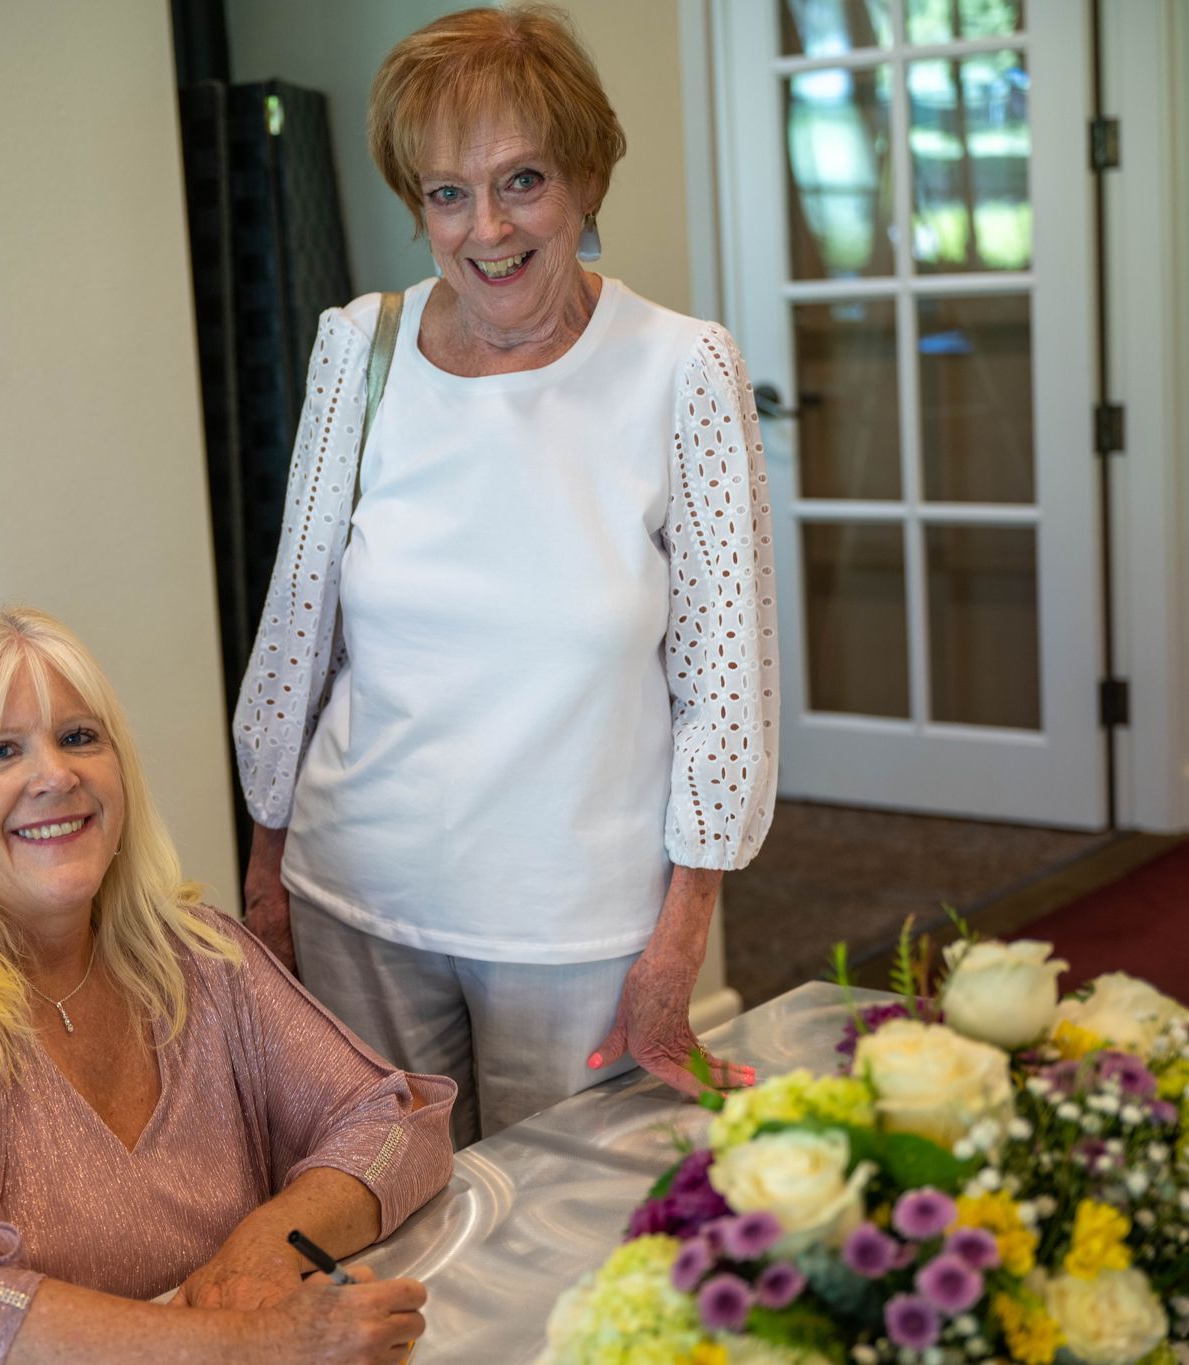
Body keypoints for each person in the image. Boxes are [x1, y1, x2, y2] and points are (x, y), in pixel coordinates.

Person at [235, 5, 778, 1148]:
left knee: (567, 1261)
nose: (485, 227)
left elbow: (725, 693)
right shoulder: (359, 346)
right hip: (355, 902)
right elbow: (298, 636)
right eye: (446, 192)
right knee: (379, 1241)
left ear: (584, 176)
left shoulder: (683, 368)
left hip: (579, 932)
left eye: (520, 180)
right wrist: (266, 878)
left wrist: (681, 942)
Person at [0, 607, 452, 1364]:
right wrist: (247, 1344)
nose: (55, 775)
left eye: (80, 737)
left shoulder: (194, 953)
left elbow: (398, 1118)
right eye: (0, 751)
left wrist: (261, 1251)